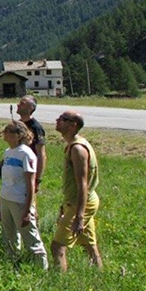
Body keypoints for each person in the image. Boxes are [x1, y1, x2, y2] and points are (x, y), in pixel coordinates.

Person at [0, 120, 48, 269]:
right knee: (8, 236)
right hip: (6, 199)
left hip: (20, 201)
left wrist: (28, 210)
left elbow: (30, 184)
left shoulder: (26, 153)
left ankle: (41, 267)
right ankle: (12, 264)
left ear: (18, 135)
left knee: (30, 236)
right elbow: (6, 181)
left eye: (8, 131)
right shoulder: (8, 153)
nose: (4, 133)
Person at [51, 111, 102, 271]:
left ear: (73, 125)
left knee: (57, 246)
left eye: (63, 119)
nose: (57, 120)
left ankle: (59, 284)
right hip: (79, 201)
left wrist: (79, 216)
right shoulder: (73, 145)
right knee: (89, 245)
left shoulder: (78, 149)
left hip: (81, 203)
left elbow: (83, 185)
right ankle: (100, 277)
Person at [16, 95, 47, 192]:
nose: (18, 105)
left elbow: (41, 155)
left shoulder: (36, 128)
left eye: (22, 103)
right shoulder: (18, 124)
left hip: (28, 170)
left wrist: (37, 179)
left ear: (30, 108)